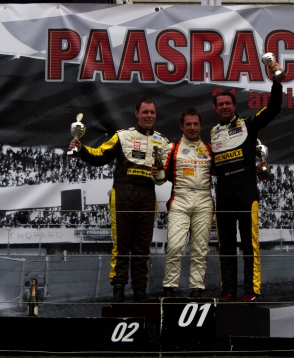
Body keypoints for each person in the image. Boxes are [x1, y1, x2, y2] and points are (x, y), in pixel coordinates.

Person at [69, 97, 170, 302]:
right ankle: (118, 287)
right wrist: (81, 149)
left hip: (147, 194)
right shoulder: (122, 136)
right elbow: (100, 155)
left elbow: (163, 176)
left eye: (152, 112)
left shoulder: (163, 142)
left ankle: (140, 289)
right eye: (145, 112)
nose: (149, 115)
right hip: (123, 193)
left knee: (143, 245)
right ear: (136, 113)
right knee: (122, 244)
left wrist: (160, 174)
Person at [210, 61, 283, 302]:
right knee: (226, 245)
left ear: (234, 106)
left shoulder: (248, 124)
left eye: (228, 103)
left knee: (250, 243)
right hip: (223, 192)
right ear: (215, 108)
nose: (224, 107)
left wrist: (276, 81)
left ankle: (252, 291)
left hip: (246, 191)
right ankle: (228, 292)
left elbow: (273, 109)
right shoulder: (213, 133)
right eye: (220, 104)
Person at [162, 108, 213, 298]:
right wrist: (156, 173)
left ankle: (197, 288)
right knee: (175, 246)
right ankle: (169, 287)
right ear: (181, 126)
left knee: (199, 248)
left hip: (204, 199)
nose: (192, 127)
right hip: (180, 199)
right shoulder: (172, 148)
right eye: (188, 124)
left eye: (195, 124)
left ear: (201, 126)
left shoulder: (209, 148)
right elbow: (160, 178)